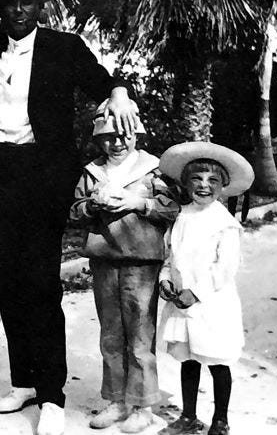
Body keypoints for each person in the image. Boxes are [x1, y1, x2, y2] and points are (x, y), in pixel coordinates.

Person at [0, 0, 139, 435]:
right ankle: (23, 380)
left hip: (42, 178)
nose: (17, 9)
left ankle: (52, 394)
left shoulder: (64, 48)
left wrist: (119, 91)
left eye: (26, 1)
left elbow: (102, 80)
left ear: (40, 5)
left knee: (41, 283)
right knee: (5, 278)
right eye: (8, 2)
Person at [69, 101, 179, 432]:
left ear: (138, 135)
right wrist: (92, 204)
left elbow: (173, 207)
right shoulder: (92, 172)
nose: (117, 143)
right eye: (109, 137)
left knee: (140, 337)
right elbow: (74, 210)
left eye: (125, 134)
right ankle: (117, 400)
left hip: (142, 263)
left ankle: (143, 405)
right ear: (98, 140)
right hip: (105, 261)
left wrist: (139, 203)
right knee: (111, 335)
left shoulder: (154, 169)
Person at [156, 142, 255, 435]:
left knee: (217, 361)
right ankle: (188, 416)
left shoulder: (224, 223)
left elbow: (224, 268)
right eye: (196, 180)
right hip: (182, 303)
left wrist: (195, 292)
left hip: (212, 304)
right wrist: (164, 280)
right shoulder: (180, 217)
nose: (203, 186)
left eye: (212, 181)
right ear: (185, 184)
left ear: (223, 186)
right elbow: (169, 256)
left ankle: (221, 420)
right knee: (188, 360)